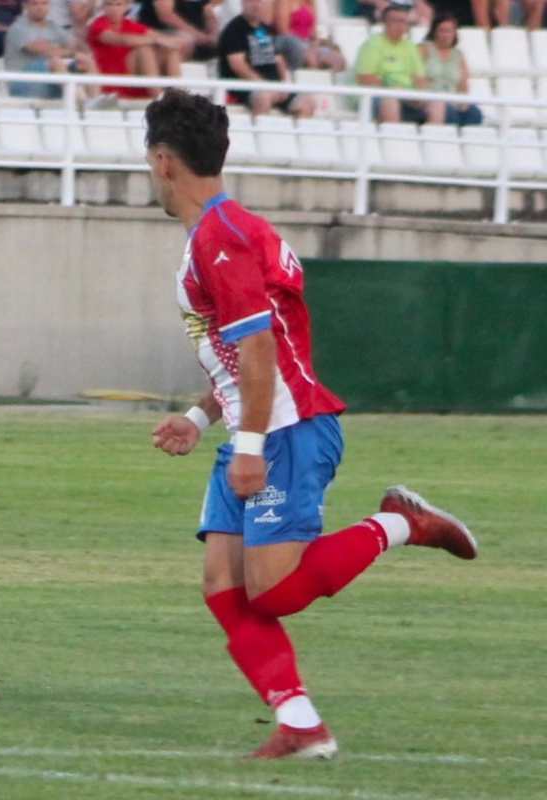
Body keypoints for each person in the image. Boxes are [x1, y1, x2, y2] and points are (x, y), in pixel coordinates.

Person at [141, 88, 478, 759]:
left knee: (275, 591)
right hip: (256, 424)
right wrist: (199, 416)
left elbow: (263, 348)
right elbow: (245, 356)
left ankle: (399, 523)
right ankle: (301, 723)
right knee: (224, 584)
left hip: (285, 430)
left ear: (161, 161)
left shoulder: (220, 237)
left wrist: (251, 445)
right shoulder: (221, 233)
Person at [218, 0, 314, 116]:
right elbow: (238, 65)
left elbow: (278, 60)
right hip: (247, 86)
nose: (256, 5)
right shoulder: (233, 30)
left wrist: (283, 85)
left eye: (259, 2)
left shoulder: (265, 29)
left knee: (307, 102)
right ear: (243, 3)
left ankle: (292, 133)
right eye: (252, 2)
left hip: (272, 86)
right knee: (263, 98)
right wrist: (263, 84)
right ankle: (258, 132)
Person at [355, 2, 445, 124]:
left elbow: (420, 78)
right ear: (384, 23)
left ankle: (431, 141)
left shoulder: (410, 47)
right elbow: (366, 79)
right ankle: (393, 141)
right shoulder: (372, 45)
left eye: (404, 21)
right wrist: (392, 90)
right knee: (390, 100)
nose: (400, 25)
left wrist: (418, 96)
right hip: (380, 96)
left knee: (437, 103)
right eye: (395, 21)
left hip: (408, 96)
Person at [87, 0, 183, 99]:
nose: (114, 9)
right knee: (144, 50)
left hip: (135, 80)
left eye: (118, 4)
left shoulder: (130, 24)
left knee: (170, 51)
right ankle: (158, 98)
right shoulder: (98, 24)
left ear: (126, 7)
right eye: (109, 4)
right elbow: (121, 39)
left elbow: (163, 39)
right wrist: (156, 40)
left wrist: (172, 41)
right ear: (103, 7)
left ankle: (178, 98)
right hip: (113, 83)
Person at [3, 0, 95, 99]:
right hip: (22, 82)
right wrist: (71, 53)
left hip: (50, 79)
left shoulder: (53, 26)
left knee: (86, 61)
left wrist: (82, 50)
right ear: (25, 6)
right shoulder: (18, 28)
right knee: (55, 61)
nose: (40, 7)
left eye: (44, 3)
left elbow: (76, 45)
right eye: (35, 4)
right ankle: (77, 103)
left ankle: (94, 102)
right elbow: (45, 51)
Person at [420, 15, 483, 125]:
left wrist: (463, 103)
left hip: (453, 99)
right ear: (434, 32)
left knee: (475, 114)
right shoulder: (424, 49)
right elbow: (417, 77)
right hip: (430, 99)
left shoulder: (458, 55)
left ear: (455, 33)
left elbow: (463, 85)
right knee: (449, 113)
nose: (445, 35)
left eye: (449, 31)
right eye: (442, 31)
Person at [135, 0, 220, 62]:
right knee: (185, 40)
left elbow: (209, 15)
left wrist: (213, 34)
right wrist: (199, 36)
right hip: (158, 33)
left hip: (197, 38)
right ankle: (173, 83)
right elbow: (166, 16)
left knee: (224, 43)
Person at [272, 0, 344, 71]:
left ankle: (322, 74)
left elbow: (313, 33)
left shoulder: (311, 2)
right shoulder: (284, 2)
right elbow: (283, 31)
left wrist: (314, 47)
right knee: (304, 51)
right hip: (290, 44)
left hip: (307, 45)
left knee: (337, 58)